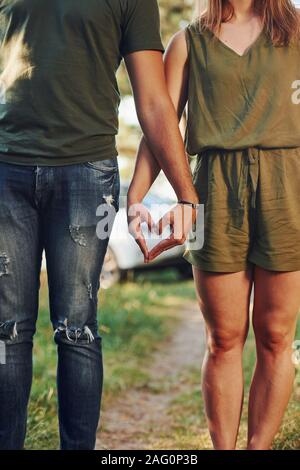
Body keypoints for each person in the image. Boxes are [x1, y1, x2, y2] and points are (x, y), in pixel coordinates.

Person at [0, 0, 198, 450]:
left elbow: (152, 99)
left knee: (77, 327)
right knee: (6, 330)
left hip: (86, 173)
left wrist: (186, 194)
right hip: (6, 167)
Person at [128, 0, 300, 450]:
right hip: (214, 192)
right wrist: (136, 197)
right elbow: (160, 127)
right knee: (223, 339)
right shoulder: (187, 42)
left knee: (277, 335)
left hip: (288, 190)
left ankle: (258, 447)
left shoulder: (296, 31)